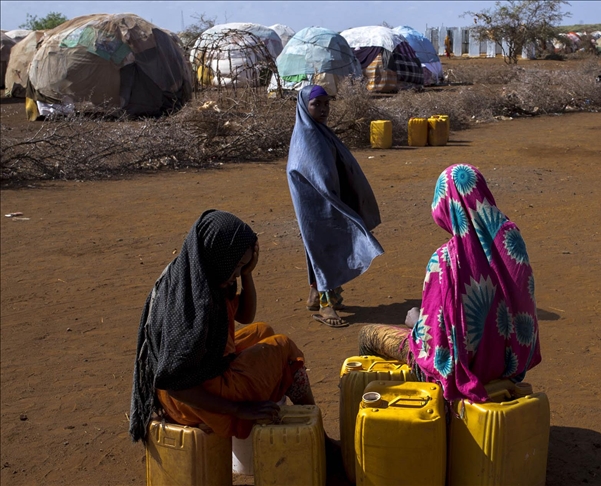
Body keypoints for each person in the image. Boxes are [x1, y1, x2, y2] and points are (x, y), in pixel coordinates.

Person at [357, 164, 541, 403]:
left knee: (368, 335)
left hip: (464, 372)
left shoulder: (445, 260)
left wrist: (417, 324)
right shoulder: (512, 242)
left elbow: (439, 350)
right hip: (511, 366)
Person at [129, 210, 316, 443]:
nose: (236, 274)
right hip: (188, 400)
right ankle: (318, 438)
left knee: (263, 331)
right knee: (285, 348)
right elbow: (176, 385)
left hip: (196, 380)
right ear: (219, 255)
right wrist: (238, 410)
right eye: (236, 265)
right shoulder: (196, 306)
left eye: (242, 266)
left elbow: (246, 316)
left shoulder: (194, 273)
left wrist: (247, 274)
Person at [287, 85, 384, 328]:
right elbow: (305, 171)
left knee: (320, 246)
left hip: (328, 198)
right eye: (316, 104)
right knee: (325, 247)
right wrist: (329, 195)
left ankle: (314, 294)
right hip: (316, 203)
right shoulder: (307, 136)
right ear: (304, 106)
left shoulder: (320, 131)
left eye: (326, 103)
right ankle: (326, 305)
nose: (323, 109)